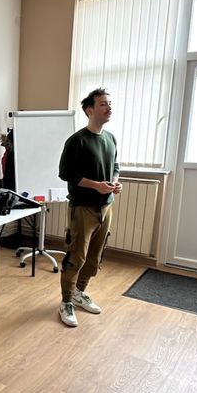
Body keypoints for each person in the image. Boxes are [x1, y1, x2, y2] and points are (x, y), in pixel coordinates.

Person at [57, 88, 121, 327]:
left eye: (110, 103)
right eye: (103, 104)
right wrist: (97, 186)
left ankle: (79, 292)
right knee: (77, 256)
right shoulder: (77, 141)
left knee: (95, 257)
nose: (109, 108)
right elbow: (66, 173)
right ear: (89, 110)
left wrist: (114, 182)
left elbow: (116, 166)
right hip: (83, 208)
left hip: (106, 207)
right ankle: (66, 302)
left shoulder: (111, 138)